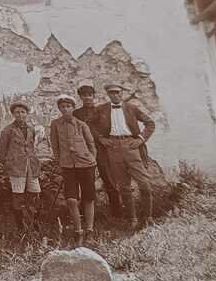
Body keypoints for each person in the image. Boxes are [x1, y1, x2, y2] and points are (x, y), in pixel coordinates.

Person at [94, 83, 158, 229]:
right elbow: (89, 124)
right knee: (124, 186)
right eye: (111, 93)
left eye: (117, 93)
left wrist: (140, 139)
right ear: (108, 94)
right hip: (113, 148)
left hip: (131, 146)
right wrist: (100, 138)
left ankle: (148, 217)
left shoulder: (131, 108)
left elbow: (150, 123)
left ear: (121, 94)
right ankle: (132, 219)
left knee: (145, 184)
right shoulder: (101, 109)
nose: (115, 95)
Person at [49, 94, 98, 245]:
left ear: (73, 108)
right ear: (59, 108)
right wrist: (60, 162)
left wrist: (92, 161)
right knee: (71, 200)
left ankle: (89, 231)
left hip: (86, 165)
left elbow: (91, 146)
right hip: (68, 166)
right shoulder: (55, 124)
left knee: (88, 198)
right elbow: (55, 146)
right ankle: (78, 232)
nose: (65, 109)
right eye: (62, 107)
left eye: (68, 106)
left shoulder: (81, 124)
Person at [73, 84, 121, 220]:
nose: (87, 98)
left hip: (102, 150)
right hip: (84, 151)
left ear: (94, 96)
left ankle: (117, 214)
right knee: (85, 183)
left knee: (109, 180)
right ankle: (84, 215)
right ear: (80, 97)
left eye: (90, 95)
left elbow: (108, 128)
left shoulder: (102, 110)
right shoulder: (76, 114)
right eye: (84, 95)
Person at [0, 102, 40, 233]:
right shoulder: (8, 130)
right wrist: (8, 164)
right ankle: (20, 225)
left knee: (35, 193)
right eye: (17, 112)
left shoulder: (31, 129)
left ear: (27, 114)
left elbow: (31, 147)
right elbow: (2, 150)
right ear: (13, 114)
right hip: (16, 166)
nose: (20, 115)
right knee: (18, 195)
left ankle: (34, 222)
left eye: (23, 112)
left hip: (31, 166)